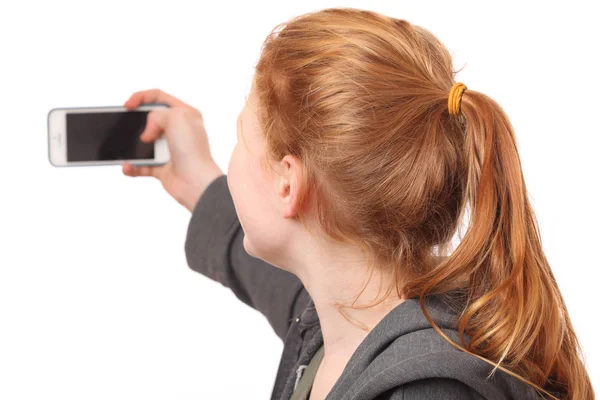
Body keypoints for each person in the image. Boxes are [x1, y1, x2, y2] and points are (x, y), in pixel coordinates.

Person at [121, 7, 593, 400]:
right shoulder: (343, 319)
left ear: (289, 184)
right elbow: (273, 280)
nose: (234, 155)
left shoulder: (425, 389)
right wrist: (195, 176)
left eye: (242, 138)